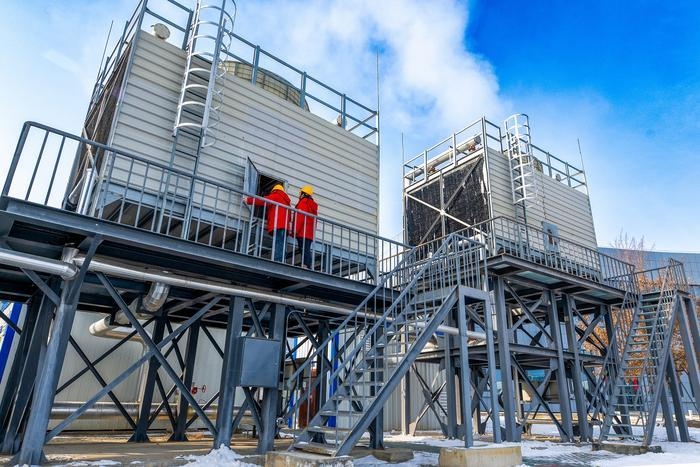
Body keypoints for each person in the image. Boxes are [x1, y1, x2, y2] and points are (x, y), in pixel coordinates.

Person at [245, 184, 290, 262]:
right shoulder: (287, 202)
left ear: (274, 190)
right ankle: (281, 260)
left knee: (278, 243)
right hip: (285, 227)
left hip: (277, 225)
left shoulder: (276, 195)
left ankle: (277, 261)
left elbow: (262, 201)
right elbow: (289, 216)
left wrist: (248, 200)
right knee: (281, 243)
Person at [293, 185, 318, 269]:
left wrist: (295, 230)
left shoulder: (303, 203)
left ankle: (306, 265)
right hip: (309, 233)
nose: (299, 195)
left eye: (300, 193)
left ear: (304, 194)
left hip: (302, 232)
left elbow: (300, 218)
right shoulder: (313, 205)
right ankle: (307, 265)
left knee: (303, 249)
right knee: (306, 249)